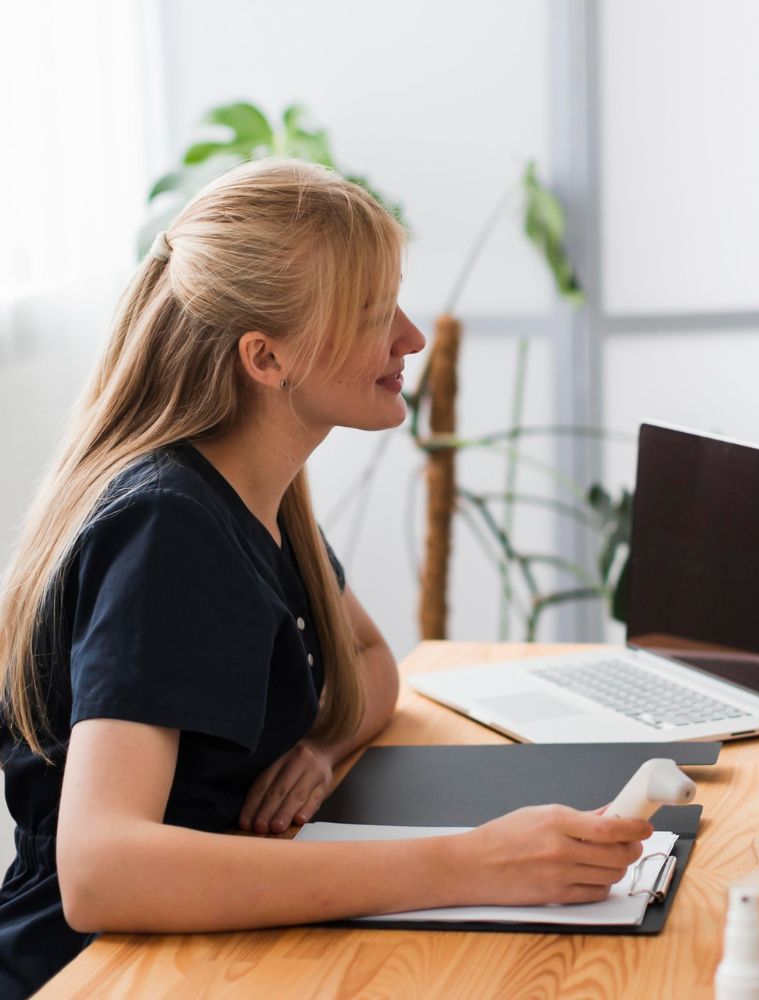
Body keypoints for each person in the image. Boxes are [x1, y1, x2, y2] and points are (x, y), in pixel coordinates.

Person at [0, 159, 652, 997]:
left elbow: (372, 662)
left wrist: (321, 745)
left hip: (201, 954)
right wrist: (469, 863)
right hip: (94, 974)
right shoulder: (170, 526)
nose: (411, 337)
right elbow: (99, 870)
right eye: (375, 314)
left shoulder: (259, 495)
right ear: (266, 358)